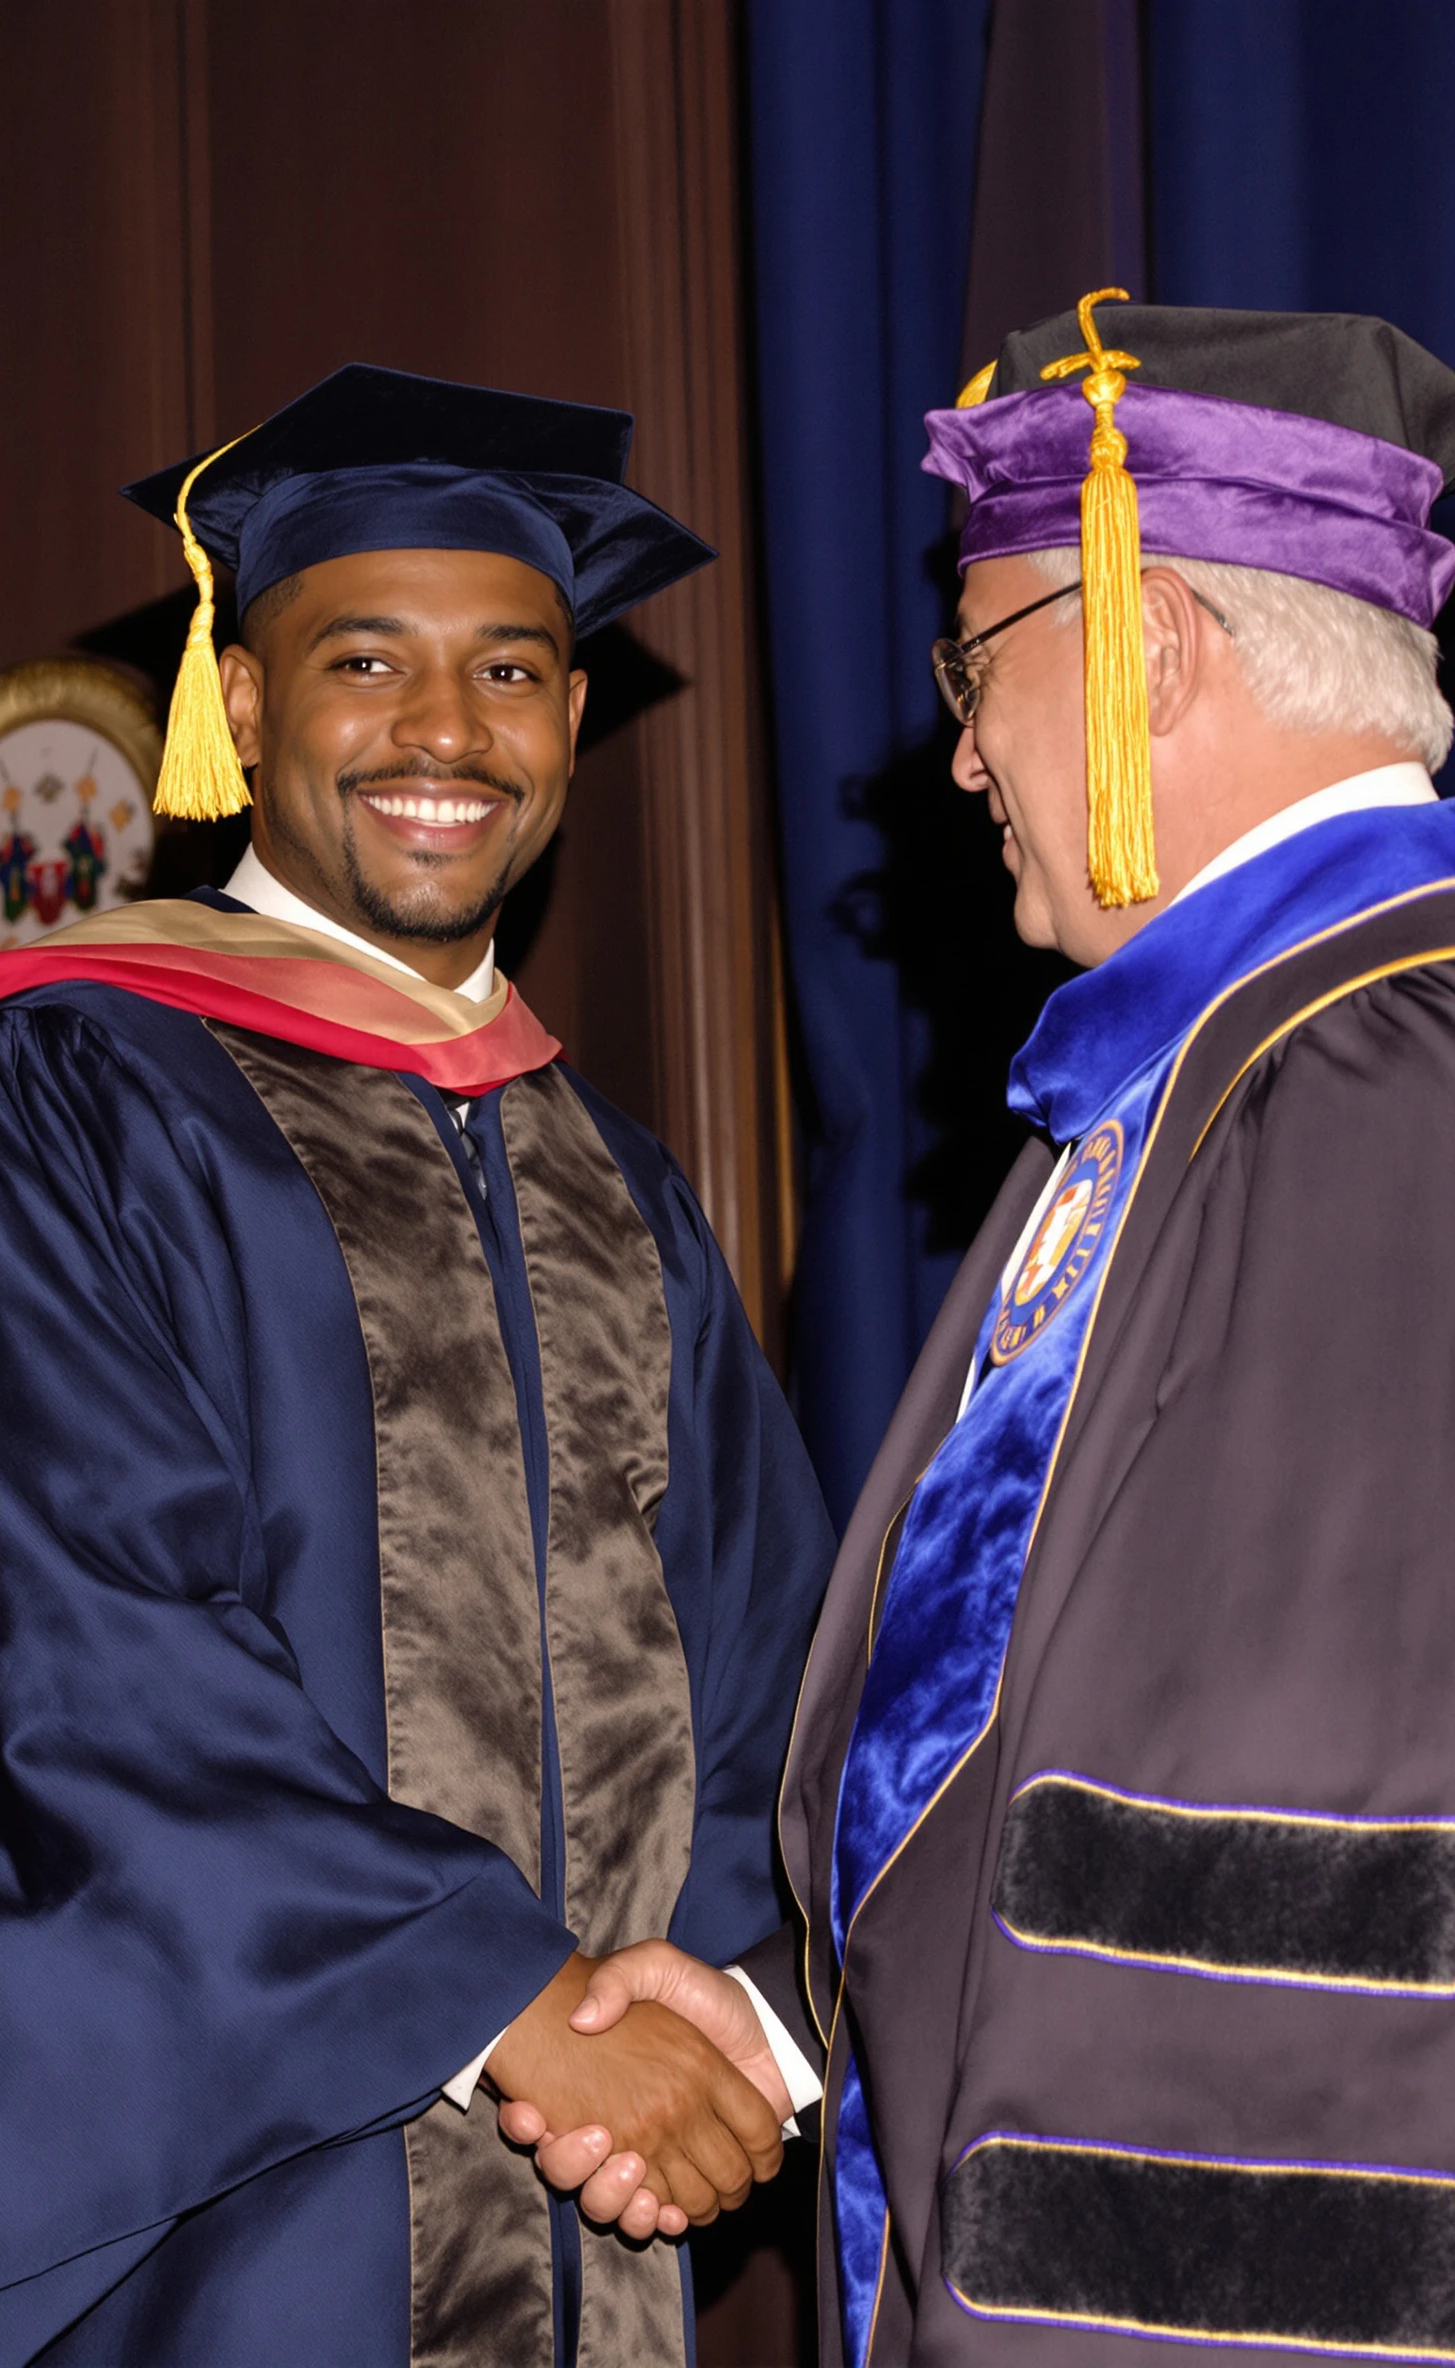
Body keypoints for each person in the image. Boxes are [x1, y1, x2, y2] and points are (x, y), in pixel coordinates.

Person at [0, 365, 834, 2367]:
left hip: (594, 2238)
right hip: (203, 2248)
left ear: (573, 717)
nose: (442, 735)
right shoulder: (50, 1094)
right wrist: (510, 2004)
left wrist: (734, 2006)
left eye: (509, 671)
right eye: (365, 659)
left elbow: (768, 1656)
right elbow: (58, 1656)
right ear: (238, 700)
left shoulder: (612, 1180)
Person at [509, 291, 1455, 2364]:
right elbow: (1035, 1746)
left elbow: (1287, 1894)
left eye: (975, 663)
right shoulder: (1198, 1074)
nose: (953, 751)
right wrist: (779, 2015)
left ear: (1144, 649)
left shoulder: (1379, 1093)